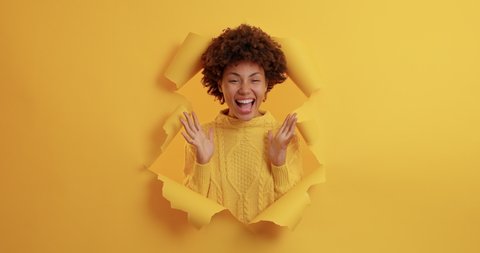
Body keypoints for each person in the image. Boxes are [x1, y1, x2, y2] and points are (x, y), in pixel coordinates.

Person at [180, 24, 302, 224]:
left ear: (266, 85)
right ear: (220, 84)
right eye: (234, 80)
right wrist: (202, 161)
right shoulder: (200, 137)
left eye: (254, 80)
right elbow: (192, 217)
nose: (245, 90)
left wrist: (279, 163)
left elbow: (292, 218)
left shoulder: (284, 136)